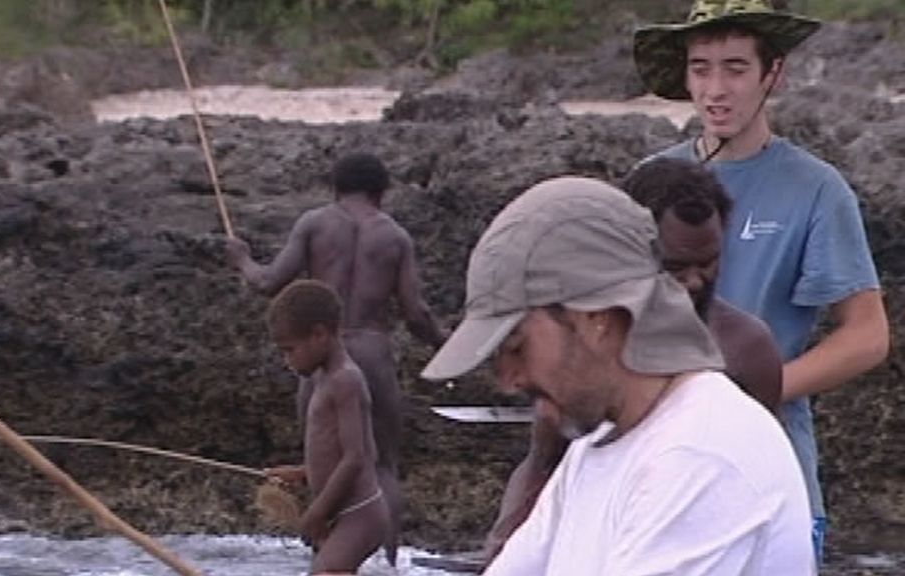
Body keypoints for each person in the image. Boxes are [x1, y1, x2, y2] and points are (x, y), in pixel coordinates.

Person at [423, 176, 814, 575]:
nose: (510, 380)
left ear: (596, 319)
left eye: (517, 347)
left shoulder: (700, 453)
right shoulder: (596, 445)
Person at [633, 0, 889, 562]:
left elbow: (867, 335)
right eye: (701, 68)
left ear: (774, 73)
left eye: (736, 68)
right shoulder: (650, 181)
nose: (716, 89)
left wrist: (757, 392)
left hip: (774, 476)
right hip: (660, 476)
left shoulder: (817, 189)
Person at [224, 152, 446, 564]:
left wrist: (241, 259)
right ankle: (387, 562)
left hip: (322, 349)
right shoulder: (395, 237)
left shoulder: (315, 223)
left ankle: (327, 548)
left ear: (336, 187)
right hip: (373, 353)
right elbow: (416, 314)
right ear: (381, 192)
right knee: (382, 467)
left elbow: (269, 281)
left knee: (324, 454)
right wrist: (447, 347)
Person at [264, 279, 390, 575]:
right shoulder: (325, 379)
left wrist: (316, 513)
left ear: (319, 334)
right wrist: (301, 473)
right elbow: (337, 453)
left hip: (359, 513)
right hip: (344, 513)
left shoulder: (345, 380)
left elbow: (357, 457)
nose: (287, 361)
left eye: (289, 350)